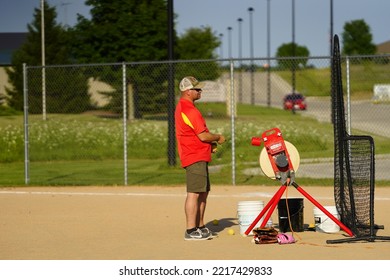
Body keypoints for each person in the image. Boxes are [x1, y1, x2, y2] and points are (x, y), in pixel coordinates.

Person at [175, 76, 226, 241]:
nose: (200, 91)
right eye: (197, 89)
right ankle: (190, 230)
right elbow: (203, 136)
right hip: (193, 155)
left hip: (198, 154)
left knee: (203, 192)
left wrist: (209, 145)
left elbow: (196, 135)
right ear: (188, 91)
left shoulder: (187, 107)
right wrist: (217, 137)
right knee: (194, 193)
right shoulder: (189, 110)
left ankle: (200, 226)